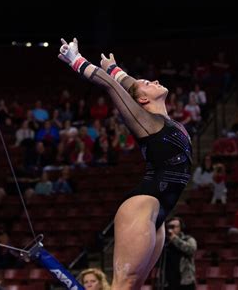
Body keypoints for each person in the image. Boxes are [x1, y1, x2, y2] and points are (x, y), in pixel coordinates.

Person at [58, 38, 192, 290]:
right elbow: (113, 87)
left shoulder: (163, 120)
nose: (153, 81)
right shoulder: (148, 122)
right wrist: (76, 60)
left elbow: (130, 86)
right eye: (147, 84)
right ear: (141, 102)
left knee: (134, 286)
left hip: (159, 212)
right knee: (123, 283)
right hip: (143, 204)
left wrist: (114, 68)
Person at [163, 217, 197, 290]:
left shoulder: (188, 239)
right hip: (168, 282)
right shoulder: (165, 242)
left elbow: (191, 249)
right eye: (169, 226)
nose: (171, 229)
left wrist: (174, 239)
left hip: (185, 282)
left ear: (180, 228)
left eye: (173, 227)